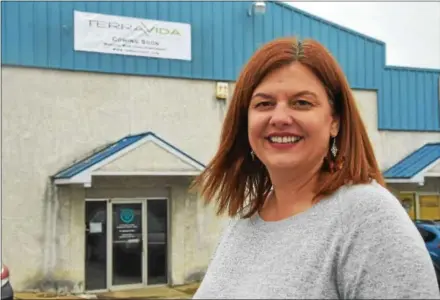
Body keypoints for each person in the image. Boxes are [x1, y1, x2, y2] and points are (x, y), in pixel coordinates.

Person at [191, 37, 440, 299]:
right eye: (264, 104)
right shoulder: (244, 219)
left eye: (302, 103)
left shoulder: (368, 219)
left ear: (335, 122)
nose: (279, 118)